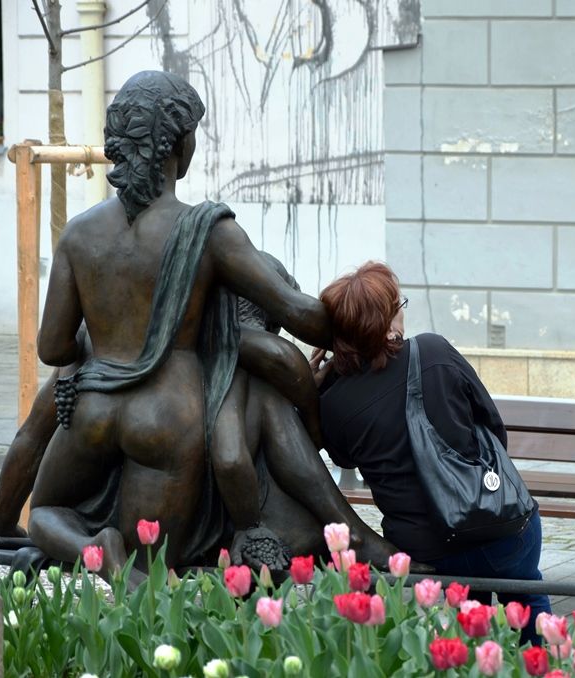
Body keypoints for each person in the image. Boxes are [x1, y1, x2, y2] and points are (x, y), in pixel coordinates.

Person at [25, 70, 386, 576]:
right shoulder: (210, 230)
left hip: (93, 409)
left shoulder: (80, 234)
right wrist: (365, 308)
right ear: (178, 143)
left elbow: (53, 345)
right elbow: (300, 315)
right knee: (153, 564)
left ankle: (95, 550)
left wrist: (106, 344)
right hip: (169, 416)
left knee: (44, 512)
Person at [312, 261, 551, 646]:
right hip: (500, 526)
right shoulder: (433, 351)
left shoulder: (334, 403)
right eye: (397, 304)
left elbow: (342, 458)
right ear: (386, 319)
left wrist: (322, 382)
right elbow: (493, 426)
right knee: (525, 602)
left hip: (430, 549)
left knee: (469, 624)